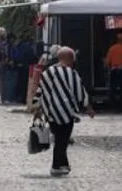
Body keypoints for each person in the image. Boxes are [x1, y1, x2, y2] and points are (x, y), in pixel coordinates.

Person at [35, 47, 94, 176]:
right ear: (70, 59)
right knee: (63, 139)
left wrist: (37, 108)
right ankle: (56, 166)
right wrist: (88, 106)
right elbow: (80, 92)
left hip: (51, 113)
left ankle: (63, 164)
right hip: (67, 113)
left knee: (60, 138)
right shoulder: (72, 73)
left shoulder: (47, 73)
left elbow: (39, 91)